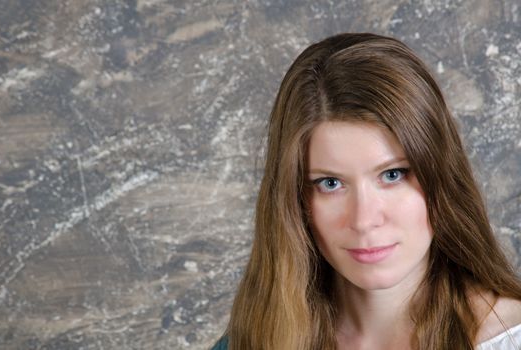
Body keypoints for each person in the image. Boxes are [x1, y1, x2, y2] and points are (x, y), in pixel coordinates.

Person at [212, 33, 521, 349]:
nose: (363, 220)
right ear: (294, 201)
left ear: (440, 177)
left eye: (392, 174)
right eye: (330, 184)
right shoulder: (248, 343)